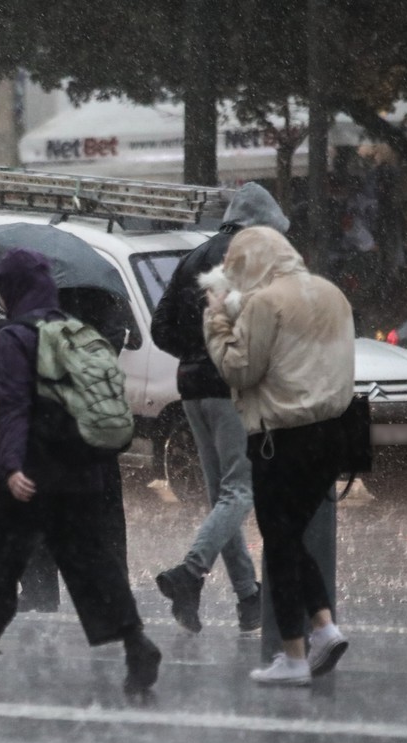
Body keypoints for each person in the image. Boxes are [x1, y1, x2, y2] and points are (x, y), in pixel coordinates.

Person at [0, 249, 161, 695]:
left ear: (13, 289)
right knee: (94, 566)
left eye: (0, 290)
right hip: (81, 472)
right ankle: (137, 644)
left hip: (30, 477)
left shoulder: (16, 336)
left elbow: (13, 407)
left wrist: (11, 467)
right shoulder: (75, 331)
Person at [203, 225, 355, 686]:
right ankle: (323, 628)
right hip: (335, 435)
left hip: (282, 437)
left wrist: (217, 320)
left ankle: (294, 655)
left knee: (280, 541)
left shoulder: (267, 302)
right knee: (288, 538)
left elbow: (240, 368)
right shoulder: (332, 294)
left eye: (237, 268)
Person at [149, 183, 291, 634]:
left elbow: (160, 327)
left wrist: (195, 354)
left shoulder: (195, 256)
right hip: (232, 386)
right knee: (240, 490)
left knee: (222, 495)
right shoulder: (256, 258)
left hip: (192, 388)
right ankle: (189, 573)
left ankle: (249, 598)